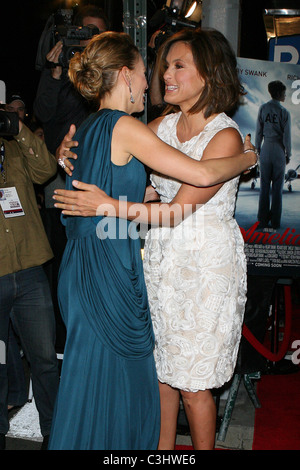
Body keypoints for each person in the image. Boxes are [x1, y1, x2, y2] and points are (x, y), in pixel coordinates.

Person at [49, 30, 257, 450]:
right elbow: (135, 172)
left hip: (200, 264)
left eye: (178, 65)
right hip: (150, 259)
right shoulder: (154, 126)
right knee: (157, 375)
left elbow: (175, 196)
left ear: (209, 74)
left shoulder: (224, 134)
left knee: (192, 383)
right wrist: (250, 160)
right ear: (127, 76)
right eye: (159, 67)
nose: (162, 75)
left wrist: (110, 200)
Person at [33, 5, 109, 353]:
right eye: (82, 32)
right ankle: (63, 341)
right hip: (60, 173)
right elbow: (43, 114)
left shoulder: (104, 77)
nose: (85, 41)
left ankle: (93, 333)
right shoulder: (60, 71)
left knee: (95, 255)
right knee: (62, 256)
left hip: (100, 176)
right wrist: (54, 71)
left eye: (95, 35)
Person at [0, 110, 60, 451]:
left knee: (45, 360)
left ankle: (55, 432)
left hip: (30, 270)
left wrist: (18, 126)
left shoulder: (15, 145)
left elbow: (47, 169)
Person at [255, 80, 291, 230]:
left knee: (264, 187)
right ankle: (275, 221)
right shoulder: (284, 112)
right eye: (284, 92)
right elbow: (287, 136)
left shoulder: (263, 108)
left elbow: (258, 132)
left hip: (265, 148)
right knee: (277, 188)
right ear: (279, 93)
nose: (285, 95)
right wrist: (288, 153)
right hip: (278, 149)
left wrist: (258, 150)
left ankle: (262, 220)